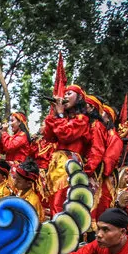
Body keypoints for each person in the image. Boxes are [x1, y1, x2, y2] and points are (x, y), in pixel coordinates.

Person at [44, 85, 90, 216]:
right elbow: (49, 136)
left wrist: (59, 115)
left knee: (61, 200)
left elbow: (66, 134)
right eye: (64, 94)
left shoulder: (82, 119)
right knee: (54, 200)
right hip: (57, 164)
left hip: (70, 164)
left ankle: (62, 232)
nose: (64, 97)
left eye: (69, 93)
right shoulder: (64, 117)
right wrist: (54, 113)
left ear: (79, 98)